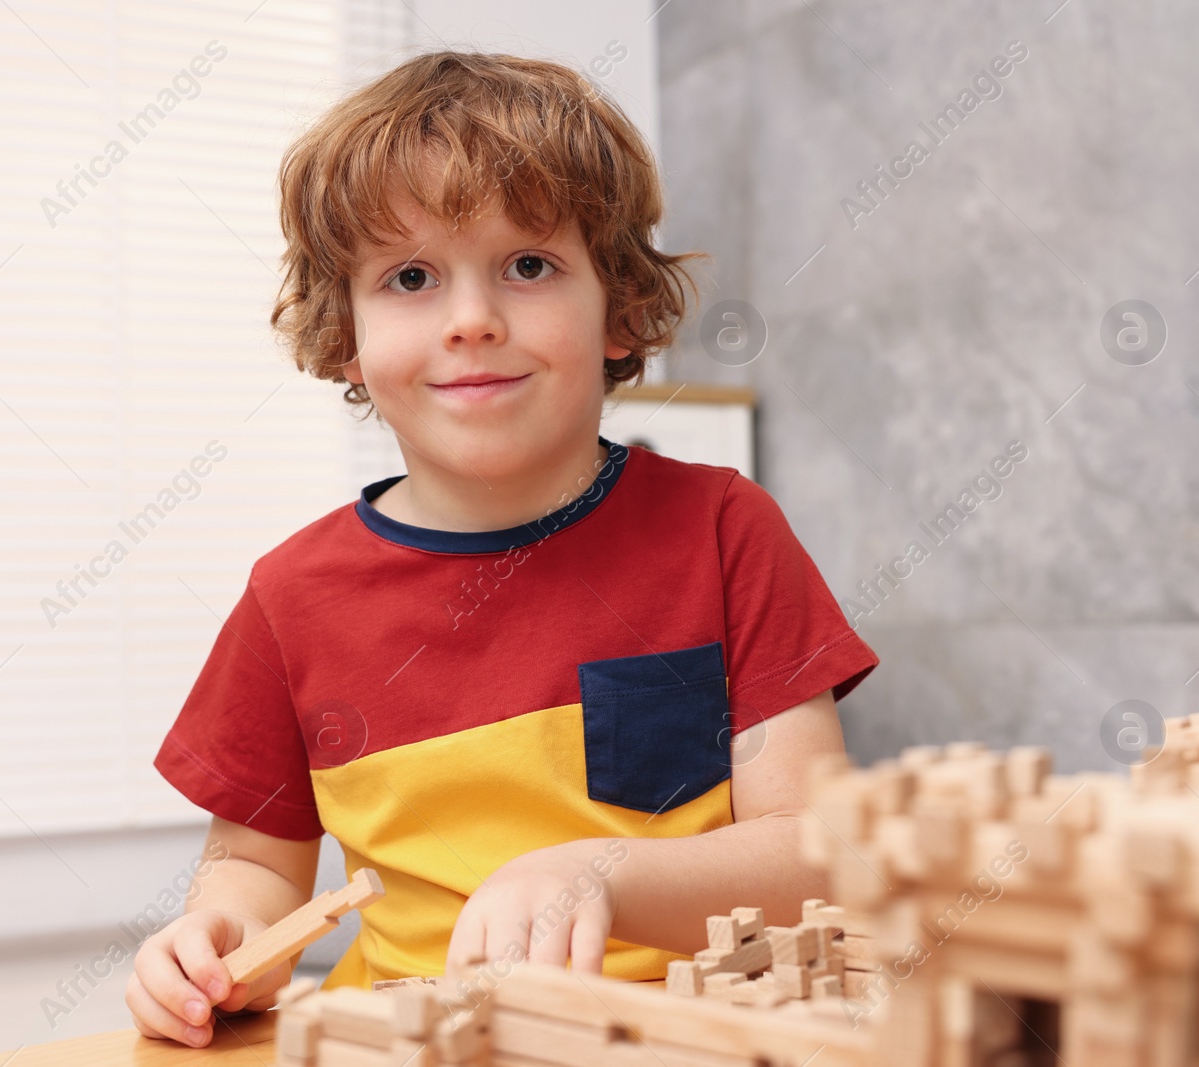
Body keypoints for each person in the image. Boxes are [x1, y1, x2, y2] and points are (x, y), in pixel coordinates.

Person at [125, 48, 878, 1048]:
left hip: (682, 1035)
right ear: (343, 334)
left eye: (527, 265)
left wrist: (589, 872)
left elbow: (820, 852)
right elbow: (257, 872)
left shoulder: (723, 530)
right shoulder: (290, 598)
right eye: (409, 277)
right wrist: (212, 937)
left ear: (617, 306)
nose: (472, 320)